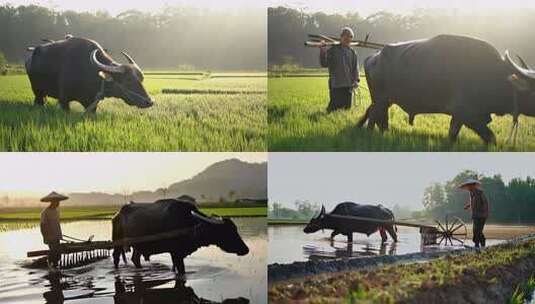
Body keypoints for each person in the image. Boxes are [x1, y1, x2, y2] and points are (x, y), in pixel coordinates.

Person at [319, 27, 360, 112]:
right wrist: (323, 51)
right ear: (341, 37)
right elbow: (324, 64)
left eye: (350, 37)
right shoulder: (333, 50)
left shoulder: (352, 53)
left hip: (348, 85)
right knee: (333, 109)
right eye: (346, 37)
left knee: (346, 109)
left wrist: (356, 80)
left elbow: (355, 68)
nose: (347, 39)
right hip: (336, 84)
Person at [40, 191, 68, 270]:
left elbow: (57, 224)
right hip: (50, 237)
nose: (58, 203)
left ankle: (55, 267)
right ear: (52, 202)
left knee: (58, 254)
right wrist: (46, 237)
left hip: (57, 236)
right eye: (57, 202)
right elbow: (42, 225)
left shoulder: (56, 211)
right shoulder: (45, 212)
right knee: (54, 252)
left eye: (59, 202)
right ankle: (51, 266)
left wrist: (59, 235)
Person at [459, 179, 489, 248]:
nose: (468, 188)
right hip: (475, 215)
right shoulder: (471, 193)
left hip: (481, 215)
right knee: (475, 230)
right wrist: (468, 206)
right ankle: (479, 244)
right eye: (467, 186)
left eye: (469, 186)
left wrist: (486, 212)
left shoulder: (480, 192)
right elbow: (473, 202)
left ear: (473, 186)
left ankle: (479, 243)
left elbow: (485, 202)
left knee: (478, 230)